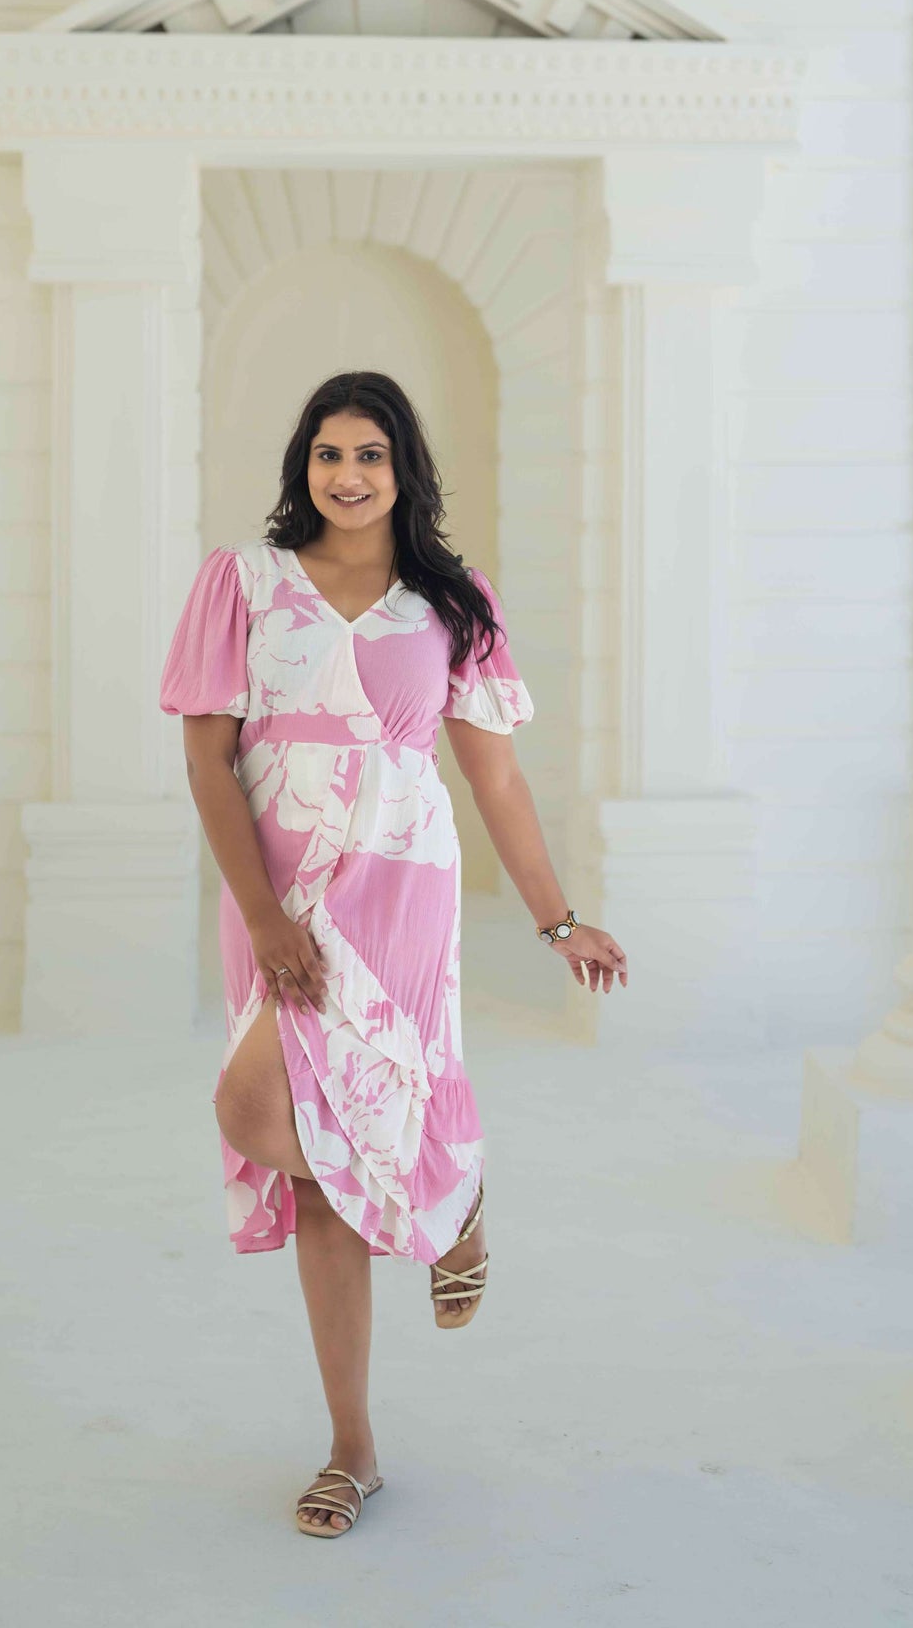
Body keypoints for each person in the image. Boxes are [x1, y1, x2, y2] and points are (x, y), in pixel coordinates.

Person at [158, 369, 628, 1537]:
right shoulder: (243, 583)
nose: (348, 474)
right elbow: (207, 762)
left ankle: (355, 1435)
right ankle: (439, 1209)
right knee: (262, 1110)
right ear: (301, 465)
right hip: (282, 884)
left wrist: (558, 917)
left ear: (403, 468)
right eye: (328, 453)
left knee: (320, 1152)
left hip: (402, 887)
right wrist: (265, 916)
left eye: (370, 454)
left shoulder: (452, 600)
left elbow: (495, 777)